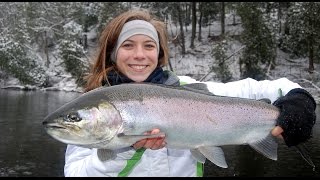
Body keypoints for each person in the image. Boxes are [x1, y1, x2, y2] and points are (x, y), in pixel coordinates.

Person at [64, 9, 316, 177]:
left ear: (159, 53)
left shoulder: (188, 90)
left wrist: (299, 99)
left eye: (149, 46)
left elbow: (265, 88)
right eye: (128, 45)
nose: (139, 54)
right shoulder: (93, 107)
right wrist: (123, 148)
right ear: (113, 53)